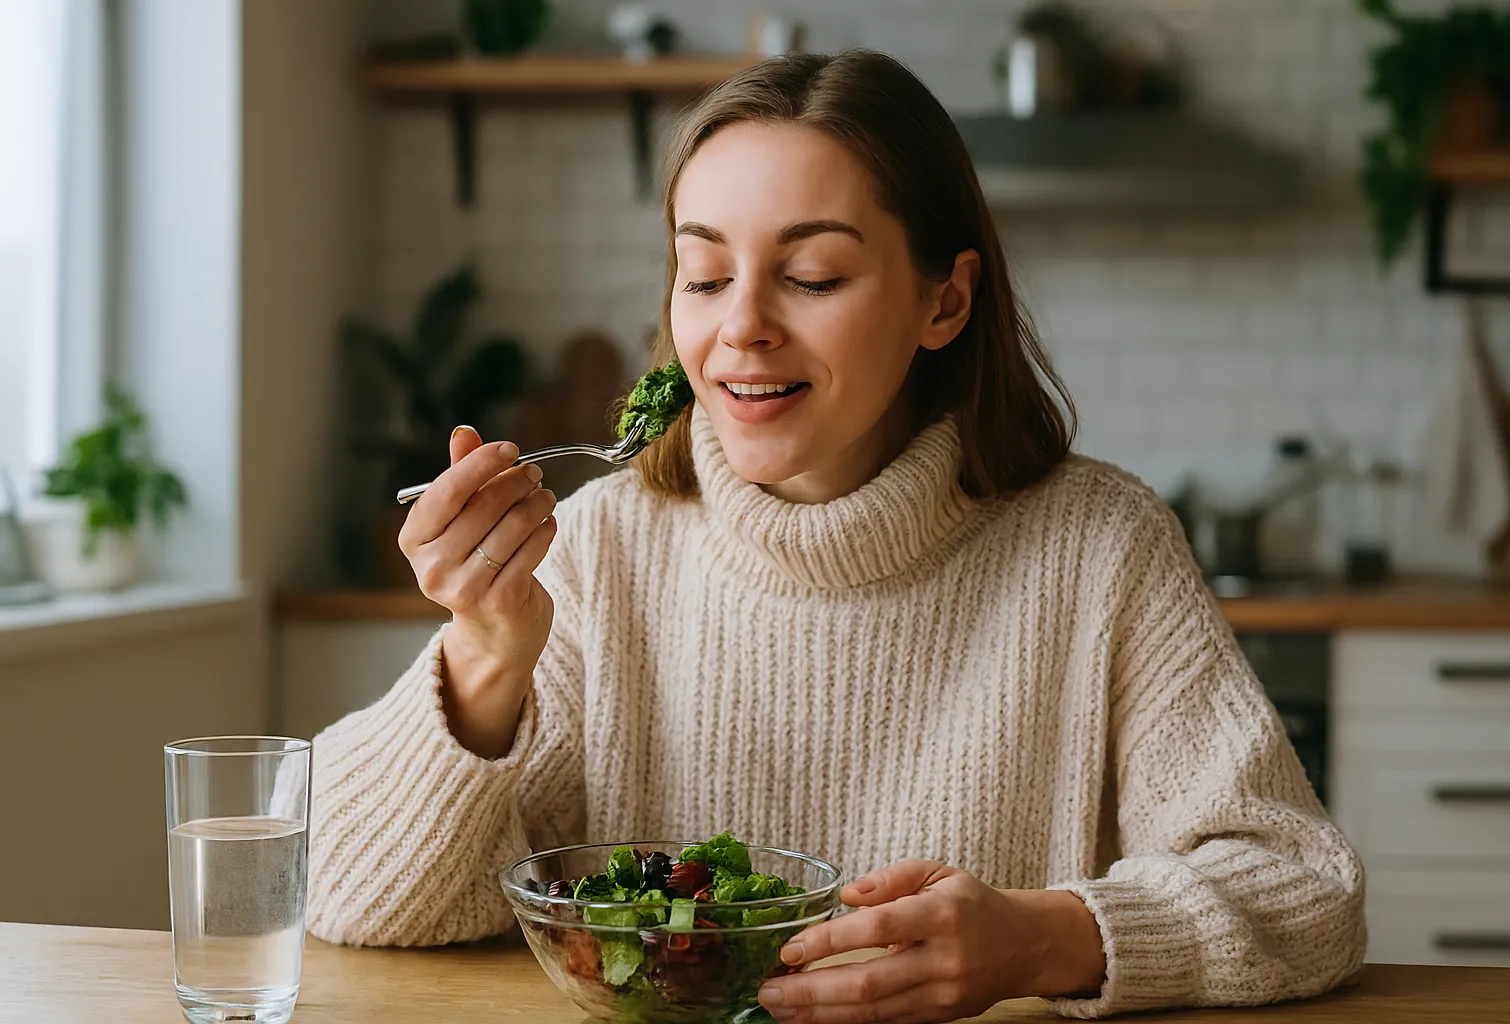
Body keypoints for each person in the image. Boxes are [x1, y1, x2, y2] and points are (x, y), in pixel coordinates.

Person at [306, 50, 1365, 1021]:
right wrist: (485, 654)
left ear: (944, 300)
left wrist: (1045, 938)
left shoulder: (1099, 548)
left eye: (811, 275)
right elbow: (352, 897)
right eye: (705, 274)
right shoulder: (599, 549)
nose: (743, 326)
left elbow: (1307, 892)